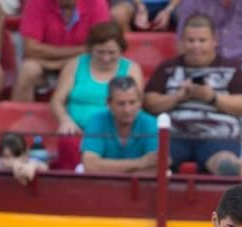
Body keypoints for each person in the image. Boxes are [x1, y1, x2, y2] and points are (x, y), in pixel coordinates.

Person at [143, 12, 242, 175]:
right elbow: (148, 103)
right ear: (182, 42)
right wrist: (178, 98)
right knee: (152, 163)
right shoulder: (167, 68)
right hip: (174, 137)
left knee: (227, 166)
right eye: (190, 40)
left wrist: (212, 98)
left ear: (214, 41)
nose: (196, 46)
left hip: (219, 138)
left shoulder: (232, 68)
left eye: (202, 41)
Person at [51, 20, 143, 168]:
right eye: (100, 52)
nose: (106, 58)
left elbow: (135, 105)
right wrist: (65, 119)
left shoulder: (132, 69)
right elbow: (57, 100)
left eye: (112, 53)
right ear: (90, 49)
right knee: (67, 142)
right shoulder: (75, 65)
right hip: (77, 131)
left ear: (121, 49)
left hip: (113, 134)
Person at [12, 0, 109, 102]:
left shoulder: (97, 3)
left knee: (99, 63)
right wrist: (81, 50)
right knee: (28, 69)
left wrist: (55, 64)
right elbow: (31, 49)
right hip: (45, 68)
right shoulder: (36, 2)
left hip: (80, 65)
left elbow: (100, 48)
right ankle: (19, 117)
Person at [80, 75, 158, 173]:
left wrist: (106, 167)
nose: (127, 110)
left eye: (132, 102)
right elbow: (90, 165)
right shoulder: (96, 120)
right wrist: (140, 163)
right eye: (121, 104)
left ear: (140, 102)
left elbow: (156, 167)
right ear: (109, 103)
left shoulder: (150, 122)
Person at [108, 0, 179, 31]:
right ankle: (127, 52)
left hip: (171, 5)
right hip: (137, 3)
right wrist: (140, 6)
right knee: (118, 14)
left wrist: (168, 10)